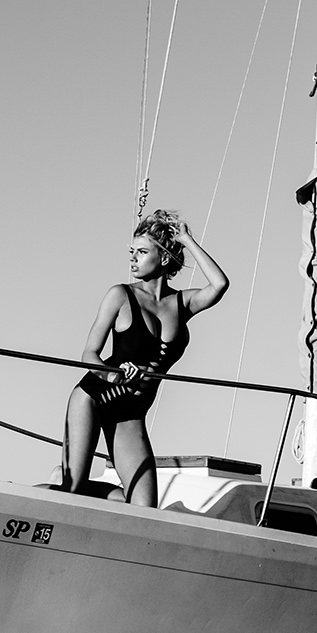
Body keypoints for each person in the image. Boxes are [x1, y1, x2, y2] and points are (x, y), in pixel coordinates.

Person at [61, 210, 228, 506]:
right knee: (72, 492)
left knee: (143, 508)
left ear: (163, 258)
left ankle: (65, 484)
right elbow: (89, 353)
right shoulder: (120, 295)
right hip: (94, 397)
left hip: (131, 412)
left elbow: (219, 285)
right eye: (132, 252)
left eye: (142, 252)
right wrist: (113, 375)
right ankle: (54, 487)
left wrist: (186, 240)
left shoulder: (182, 303)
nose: (133, 259)